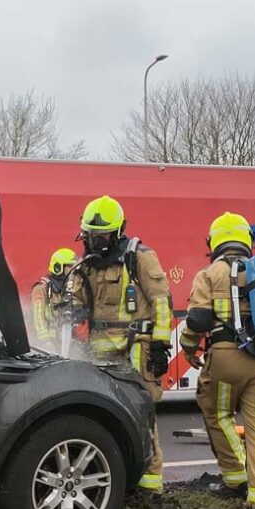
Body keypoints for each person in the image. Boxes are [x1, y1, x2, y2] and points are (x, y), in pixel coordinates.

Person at [179, 212, 255, 509]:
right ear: (247, 240)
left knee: (217, 414)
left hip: (225, 359)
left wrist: (188, 348)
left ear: (214, 241)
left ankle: (235, 477)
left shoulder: (209, 274)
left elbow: (197, 321)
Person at [71, 195, 171, 493]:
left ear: (118, 231)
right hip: (100, 354)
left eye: (102, 236)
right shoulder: (86, 266)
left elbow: (161, 301)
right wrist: (73, 310)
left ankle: (151, 485)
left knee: (142, 413)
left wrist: (160, 344)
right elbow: (76, 301)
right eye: (91, 236)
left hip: (136, 349)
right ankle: (120, 478)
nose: (96, 242)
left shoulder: (138, 257)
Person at [30, 248, 78, 351]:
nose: (74, 270)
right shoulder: (41, 289)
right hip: (44, 348)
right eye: (70, 266)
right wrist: (46, 342)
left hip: (63, 345)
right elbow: (37, 319)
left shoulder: (70, 290)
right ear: (58, 267)